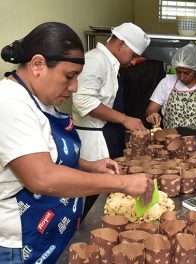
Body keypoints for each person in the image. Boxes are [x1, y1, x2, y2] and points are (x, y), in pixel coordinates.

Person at [0, 22, 153, 263]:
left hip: (54, 235)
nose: (74, 88)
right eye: (69, 77)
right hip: (25, 245)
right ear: (38, 64)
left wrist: (90, 165)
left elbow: (44, 154)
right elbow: (42, 177)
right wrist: (121, 183)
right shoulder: (10, 102)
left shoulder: (41, 100)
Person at [72, 22, 150, 162]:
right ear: (120, 44)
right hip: (94, 143)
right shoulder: (95, 60)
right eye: (133, 56)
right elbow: (83, 100)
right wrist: (124, 119)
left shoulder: (111, 64)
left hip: (108, 136)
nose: (133, 62)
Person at [145, 43, 196, 128]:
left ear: (195, 70)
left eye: (187, 73)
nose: (182, 77)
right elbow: (150, 109)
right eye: (178, 72)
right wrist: (152, 115)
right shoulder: (166, 82)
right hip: (170, 137)